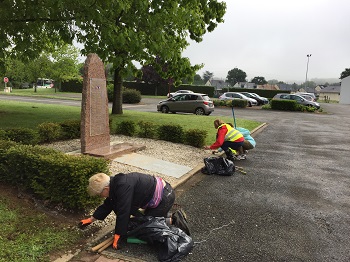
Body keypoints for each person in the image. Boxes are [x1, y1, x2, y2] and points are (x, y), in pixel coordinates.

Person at [78, 172, 189, 250]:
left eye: (100, 194)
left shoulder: (122, 186)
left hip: (165, 198)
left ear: (106, 189)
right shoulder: (115, 184)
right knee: (141, 222)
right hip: (160, 196)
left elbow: (123, 211)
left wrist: (118, 235)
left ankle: (174, 220)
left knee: (147, 228)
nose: (100, 196)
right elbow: (109, 204)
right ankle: (169, 218)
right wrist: (91, 219)